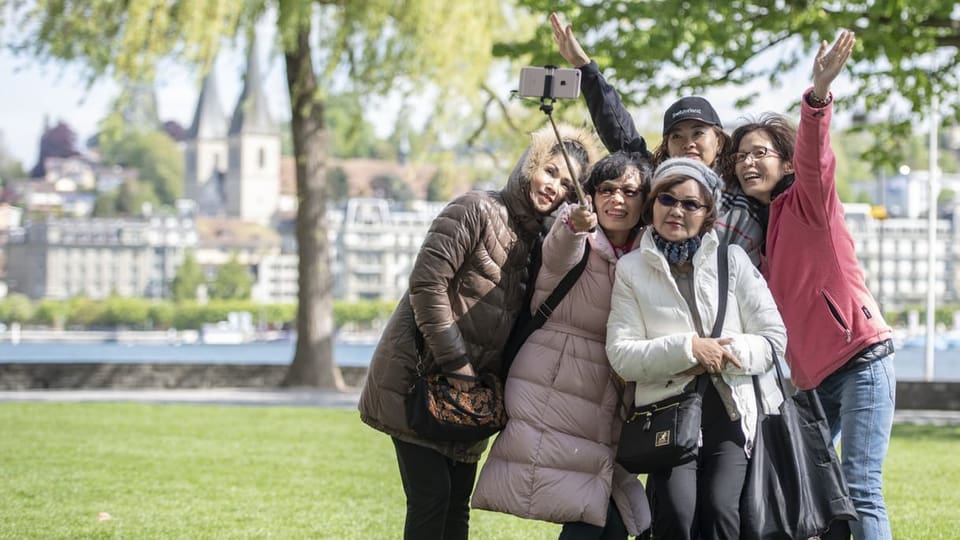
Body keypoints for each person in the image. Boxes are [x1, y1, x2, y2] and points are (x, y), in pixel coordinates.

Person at [358, 123, 601, 540]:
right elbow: (427, 285)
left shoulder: (536, 242)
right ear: (531, 164)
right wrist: (458, 365)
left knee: (456, 509)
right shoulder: (475, 209)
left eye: (567, 184)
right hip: (421, 379)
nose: (554, 187)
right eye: (550, 171)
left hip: (470, 398)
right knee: (431, 498)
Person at [723, 31, 895, 539]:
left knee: (860, 487)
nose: (748, 163)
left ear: (785, 161)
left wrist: (817, 95)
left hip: (861, 361)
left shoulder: (809, 203)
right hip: (811, 382)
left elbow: (816, 153)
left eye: (760, 153)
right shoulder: (760, 228)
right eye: (740, 157)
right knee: (805, 485)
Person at [472, 151, 654, 539]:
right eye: (606, 189)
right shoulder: (577, 237)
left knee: (611, 514)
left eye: (629, 191)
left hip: (610, 396)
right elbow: (560, 249)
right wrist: (574, 223)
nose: (616, 199)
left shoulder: (648, 255)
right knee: (593, 511)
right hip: (556, 388)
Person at [605, 157, 787, 540]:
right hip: (668, 413)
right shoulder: (632, 269)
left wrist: (724, 351)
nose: (677, 211)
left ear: (708, 214)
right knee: (677, 517)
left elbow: (773, 339)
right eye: (667, 199)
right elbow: (622, 354)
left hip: (732, 409)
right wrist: (689, 350)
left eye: (691, 204)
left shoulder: (732, 260)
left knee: (723, 512)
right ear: (652, 203)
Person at [549, 12, 765, 266]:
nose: (688, 143)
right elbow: (619, 131)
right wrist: (584, 67)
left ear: (719, 141)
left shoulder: (744, 191)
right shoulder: (656, 184)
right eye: (677, 136)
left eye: (698, 133)